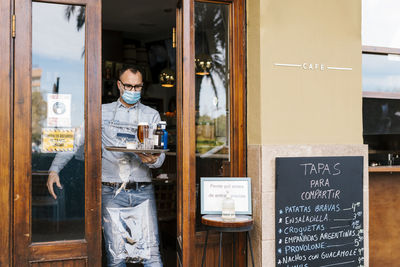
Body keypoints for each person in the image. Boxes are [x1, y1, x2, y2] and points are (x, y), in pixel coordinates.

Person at [47, 66, 165, 267]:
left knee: (151, 255)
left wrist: (152, 160)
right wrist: (54, 170)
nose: (133, 91)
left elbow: (159, 157)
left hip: (142, 191)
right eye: (129, 86)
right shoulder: (101, 112)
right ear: (119, 85)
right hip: (111, 192)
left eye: (138, 87)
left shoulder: (152, 115)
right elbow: (75, 141)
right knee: (116, 256)